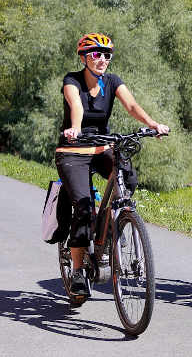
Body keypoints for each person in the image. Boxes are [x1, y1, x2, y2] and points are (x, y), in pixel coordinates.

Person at [57, 33, 170, 298]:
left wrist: (152, 124)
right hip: (73, 149)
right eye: (96, 54)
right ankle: (76, 271)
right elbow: (77, 105)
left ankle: (109, 230)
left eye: (107, 55)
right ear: (84, 57)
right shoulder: (72, 81)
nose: (102, 60)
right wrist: (74, 128)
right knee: (83, 208)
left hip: (102, 146)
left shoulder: (112, 81)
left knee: (127, 179)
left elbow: (131, 105)